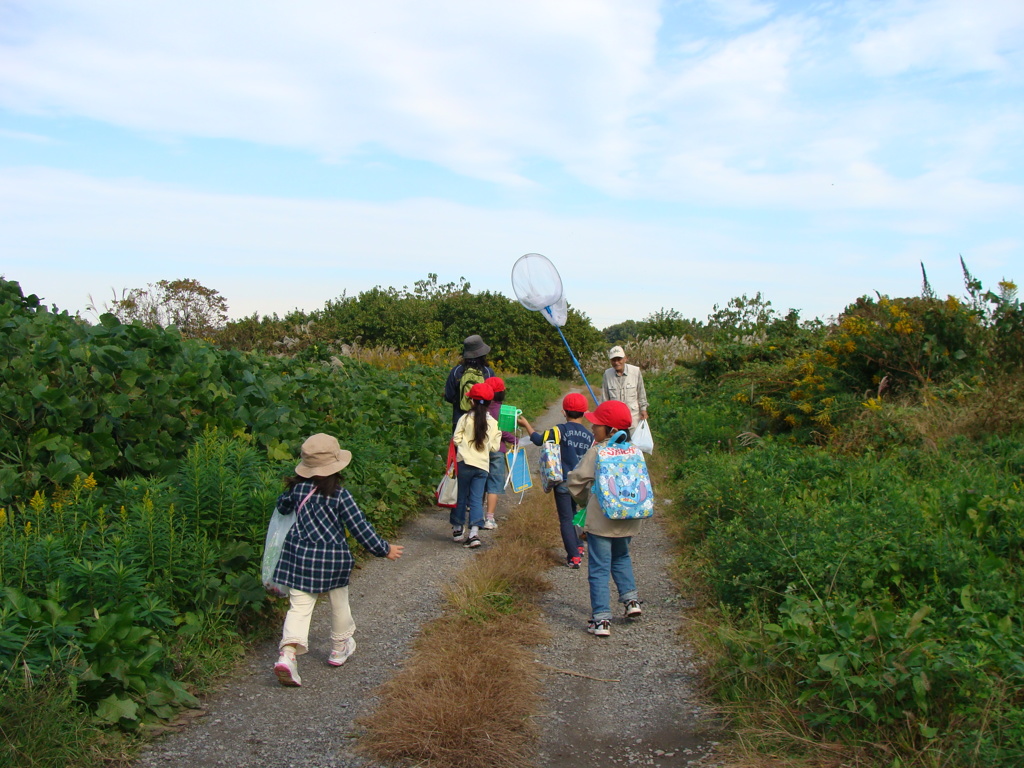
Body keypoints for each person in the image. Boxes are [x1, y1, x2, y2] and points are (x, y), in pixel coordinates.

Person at [272, 433, 403, 687]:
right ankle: (338, 647)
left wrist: (291, 495)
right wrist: (383, 549)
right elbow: (359, 526)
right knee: (339, 603)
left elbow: (282, 507)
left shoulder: (297, 490)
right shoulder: (340, 495)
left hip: (299, 558)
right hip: (332, 559)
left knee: (299, 607)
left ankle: (287, 655)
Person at [566, 400, 644, 637]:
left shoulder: (598, 451)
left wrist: (583, 503)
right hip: (628, 517)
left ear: (610, 430)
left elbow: (576, 481)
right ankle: (631, 601)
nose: (592, 428)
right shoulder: (635, 451)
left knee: (599, 567)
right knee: (621, 556)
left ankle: (601, 619)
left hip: (602, 520)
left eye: (597, 424)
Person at [518, 392, 594, 568]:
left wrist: (527, 425)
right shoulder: (590, 436)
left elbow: (538, 440)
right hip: (581, 484)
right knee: (576, 514)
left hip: (563, 482)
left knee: (566, 519)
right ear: (585, 412)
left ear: (563, 412)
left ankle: (574, 556)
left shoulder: (559, 430)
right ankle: (579, 546)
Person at [452, 382, 500, 548]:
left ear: (471, 401)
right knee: (476, 499)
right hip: (482, 466)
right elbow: (494, 447)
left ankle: (458, 529)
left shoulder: (464, 418)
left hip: (464, 462)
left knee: (461, 496)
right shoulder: (493, 423)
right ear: (489, 403)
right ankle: (474, 534)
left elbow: (456, 439)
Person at [483, 377, 516, 530]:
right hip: (497, 450)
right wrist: (514, 439)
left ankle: (475, 516)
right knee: (494, 485)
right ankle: (489, 518)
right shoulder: (502, 410)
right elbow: (501, 430)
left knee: (479, 484)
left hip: (481, 450)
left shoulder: (480, 408)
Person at [443, 335, 496, 432]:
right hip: (483, 420)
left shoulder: (456, 371)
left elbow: (449, 396)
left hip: (459, 420)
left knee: (459, 445)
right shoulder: (488, 372)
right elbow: (494, 397)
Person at [601, 345, 648, 435]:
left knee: (633, 446)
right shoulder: (607, 374)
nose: (616, 362)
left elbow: (641, 392)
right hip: (615, 421)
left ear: (625, 359)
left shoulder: (635, 371)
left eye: (619, 359)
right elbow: (605, 398)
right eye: (613, 360)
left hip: (633, 419)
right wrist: (604, 419)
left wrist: (643, 410)